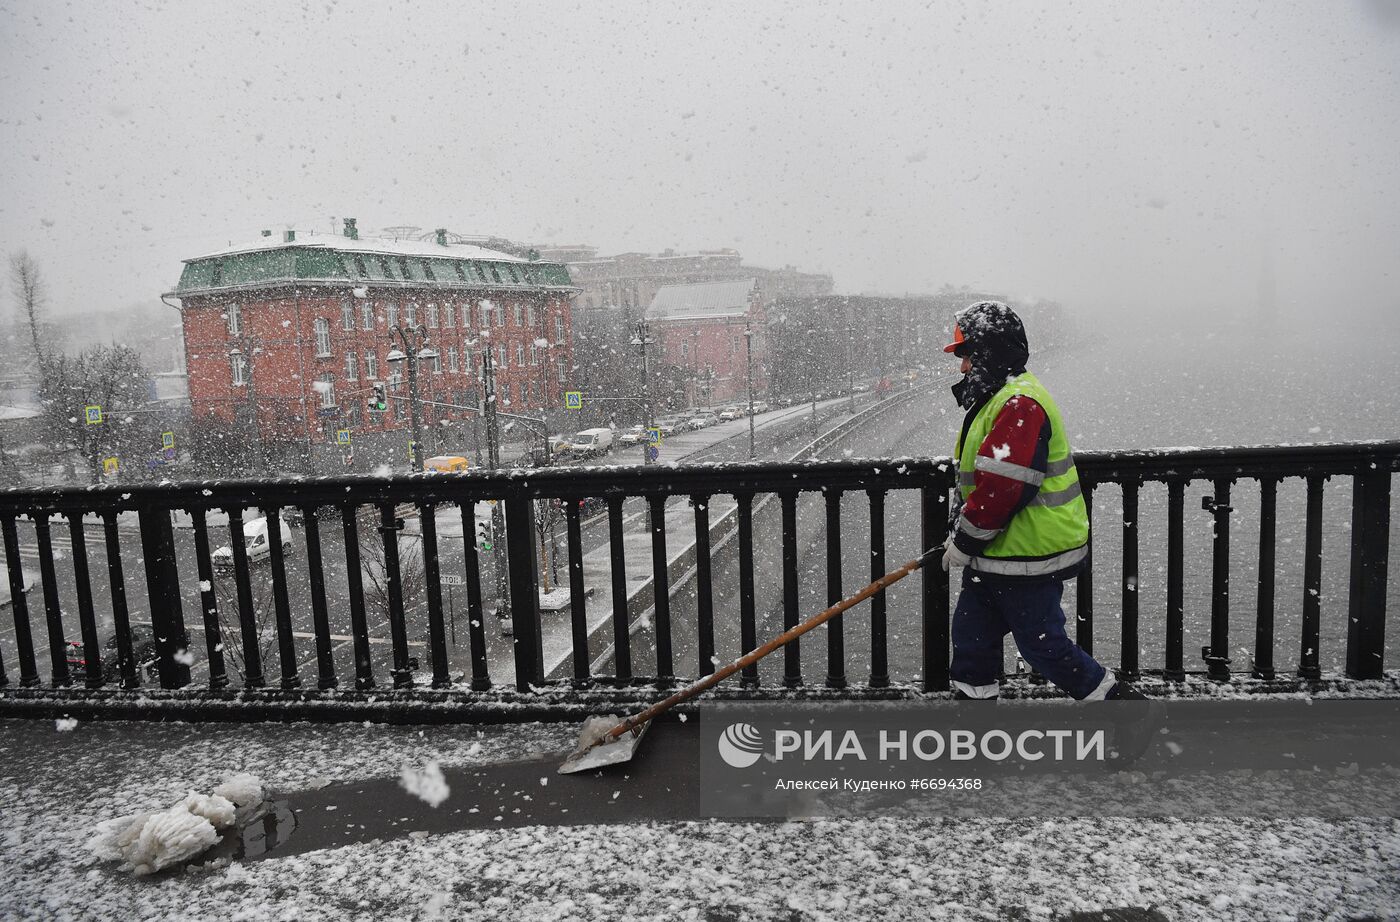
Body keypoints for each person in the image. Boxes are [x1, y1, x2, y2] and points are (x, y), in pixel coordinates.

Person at [942, 301, 1141, 702]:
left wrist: (963, 541)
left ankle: (1130, 712)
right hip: (998, 554)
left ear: (987, 353)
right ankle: (974, 738)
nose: (962, 368)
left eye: (966, 356)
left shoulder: (1018, 404)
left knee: (1042, 647)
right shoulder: (1006, 397)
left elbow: (1003, 488)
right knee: (971, 644)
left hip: (1025, 558)